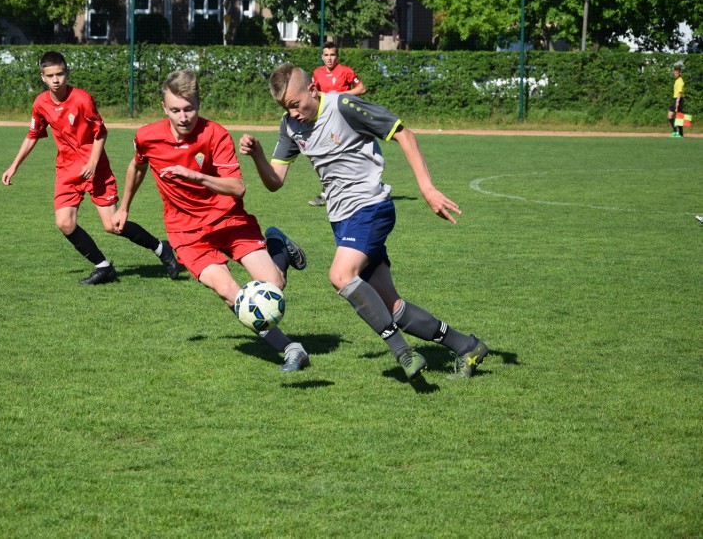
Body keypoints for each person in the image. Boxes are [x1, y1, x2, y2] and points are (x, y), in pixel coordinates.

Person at [239, 62, 491, 381]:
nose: (293, 113)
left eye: (295, 104)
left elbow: (404, 134)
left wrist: (427, 188)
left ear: (312, 90)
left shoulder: (344, 106)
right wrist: (258, 155)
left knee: (341, 275)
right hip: (342, 220)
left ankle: (404, 353)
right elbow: (275, 181)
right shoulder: (289, 126)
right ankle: (467, 346)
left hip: (372, 207)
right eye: (285, 108)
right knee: (393, 307)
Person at [111, 69, 310, 372]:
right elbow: (137, 167)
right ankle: (291, 350)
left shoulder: (215, 134)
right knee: (230, 292)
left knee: (274, 285)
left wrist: (194, 176)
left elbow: (238, 187)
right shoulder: (147, 137)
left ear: (199, 104)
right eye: (176, 110)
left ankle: (277, 244)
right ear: (164, 108)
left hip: (229, 220)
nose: (183, 117)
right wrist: (124, 207)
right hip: (187, 233)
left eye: (189, 108)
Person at [2, 51, 180, 285]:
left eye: (60, 74)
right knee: (65, 222)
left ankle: (160, 248)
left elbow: (101, 132)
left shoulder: (82, 99)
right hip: (67, 170)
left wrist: (93, 162)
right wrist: (14, 166)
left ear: (67, 73)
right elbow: (33, 134)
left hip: (96, 169)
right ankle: (103, 267)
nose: (56, 80)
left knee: (113, 226)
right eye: (51, 75)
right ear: (43, 77)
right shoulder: (40, 103)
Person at [306, 41, 367, 207]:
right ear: (322, 57)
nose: (329, 58)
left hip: (345, 120)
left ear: (337, 56)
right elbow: (313, 93)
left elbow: (361, 89)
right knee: (328, 155)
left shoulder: (346, 71)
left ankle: (362, 188)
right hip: (326, 121)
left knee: (342, 154)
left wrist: (340, 95)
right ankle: (330, 192)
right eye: (326, 55)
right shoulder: (317, 73)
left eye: (332, 55)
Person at [668, 66, 685, 138]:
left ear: (680, 73)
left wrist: (677, 102)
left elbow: (680, 92)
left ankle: (676, 132)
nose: (675, 74)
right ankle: (680, 133)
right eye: (674, 73)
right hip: (677, 99)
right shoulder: (677, 80)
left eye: (676, 73)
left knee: (670, 115)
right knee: (679, 117)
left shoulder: (680, 81)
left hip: (678, 99)